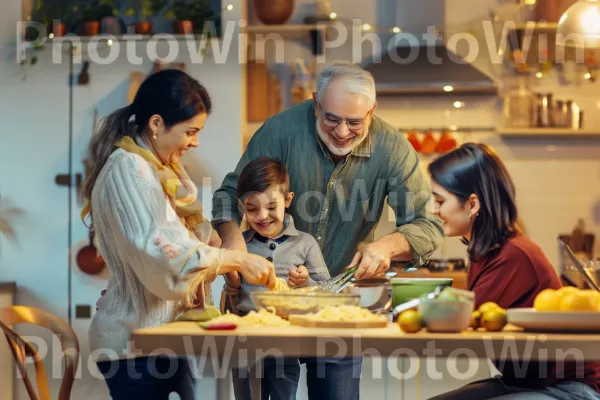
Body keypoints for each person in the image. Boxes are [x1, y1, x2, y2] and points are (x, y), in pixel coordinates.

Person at [212, 61, 443, 399]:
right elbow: (230, 195)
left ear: (372, 111)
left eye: (355, 122)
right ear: (316, 103)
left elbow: (429, 225)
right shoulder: (280, 131)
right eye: (332, 119)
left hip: (338, 308)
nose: (343, 131)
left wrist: (387, 247)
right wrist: (235, 252)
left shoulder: (392, 147)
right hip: (265, 310)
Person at [82, 69, 276, 400]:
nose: (195, 141)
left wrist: (228, 242)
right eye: (191, 131)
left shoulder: (162, 167)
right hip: (135, 345)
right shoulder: (129, 170)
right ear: (157, 124)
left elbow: (190, 240)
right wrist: (234, 259)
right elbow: (165, 252)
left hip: (166, 338)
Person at [427, 142, 600, 400]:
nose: (434, 209)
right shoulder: (486, 252)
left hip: (573, 388)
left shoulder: (513, 255)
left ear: (473, 204)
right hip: (524, 383)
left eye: (440, 200)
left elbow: (464, 326)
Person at [230, 156, 331, 400]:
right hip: (245, 340)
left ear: (288, 200)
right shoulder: (240, 244)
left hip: (286, 342)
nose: (262, 216)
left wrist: (306, 282)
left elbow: (328, 292)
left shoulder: (304, 243)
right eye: (251, 209)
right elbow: (232, 290)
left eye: (271, 207)